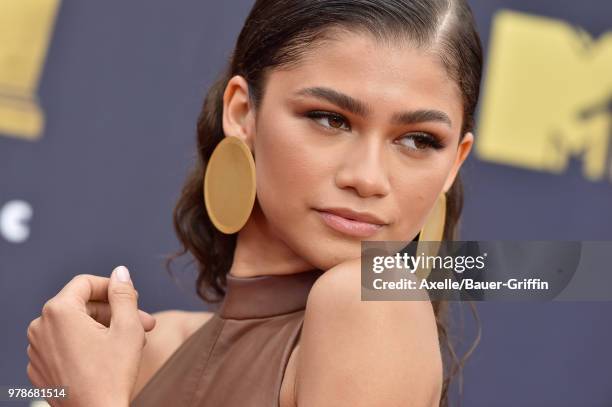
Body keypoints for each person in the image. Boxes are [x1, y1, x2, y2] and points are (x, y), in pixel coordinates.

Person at [26, 0, 483, 406]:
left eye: (419, 140)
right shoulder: (146, 348)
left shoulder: (372, 304)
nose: (367, 178)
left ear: (453, 164)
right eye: (329, 119)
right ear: (242, 113)